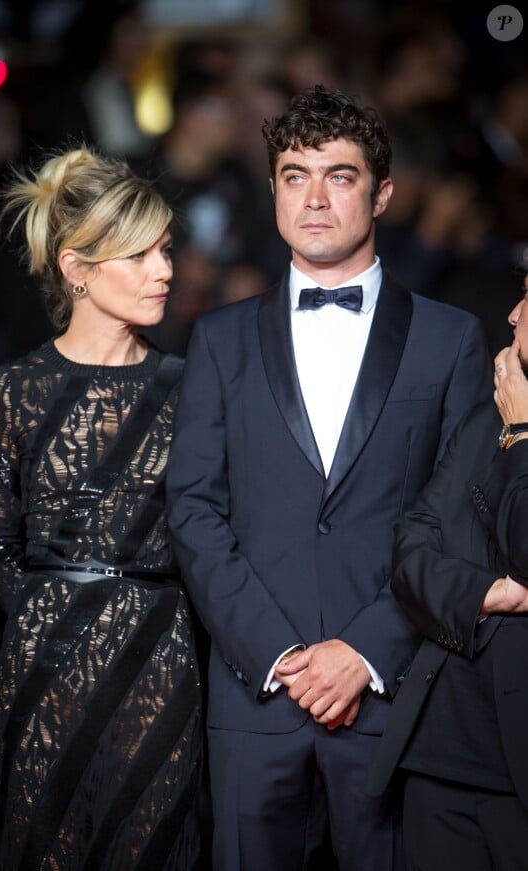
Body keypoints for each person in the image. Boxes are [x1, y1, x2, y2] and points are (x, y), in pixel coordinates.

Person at [165, 84, 494, 871]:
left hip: (393, 690)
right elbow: (194, 509)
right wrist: (279, 654)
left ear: (382, 193)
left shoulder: (451, 340)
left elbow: (464, 516)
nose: (313, 197)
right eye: (293, 175)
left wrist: (364, 650)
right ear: (273, 187)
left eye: (338, 176)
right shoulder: (218, 339)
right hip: (255, 699)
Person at [0, 144, 205, 871]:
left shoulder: (194, 390)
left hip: (163, 674)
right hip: (42, 677)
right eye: (138, 256)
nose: (164, 270)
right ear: (76, 268)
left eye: (165, 250)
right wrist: (62, 617)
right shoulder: (11, 392)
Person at [364, 268, 528, 869]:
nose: (511, 315)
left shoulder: (511, 421)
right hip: (439, 750)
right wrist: (496, 593)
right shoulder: (487, 418)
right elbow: (411, 551)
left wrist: (524, 432)